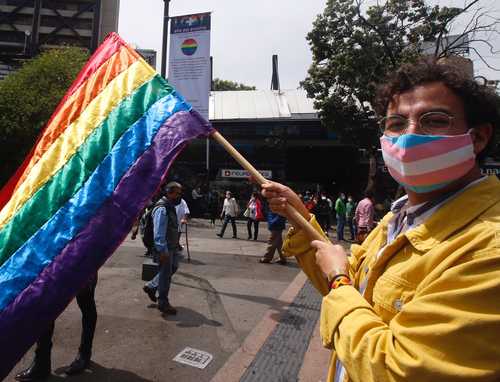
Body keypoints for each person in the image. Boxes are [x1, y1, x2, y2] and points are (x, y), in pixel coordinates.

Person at [261, 58, 500, 381]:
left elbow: (395, 370)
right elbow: (350, 292)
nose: (411, 135)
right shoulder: (396, 218)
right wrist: (299, 215)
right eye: (397, 123)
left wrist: (338, 280)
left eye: (434, 120)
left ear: (478, 138)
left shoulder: (488, 249)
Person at [15, 276, 98, 380]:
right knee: (45, 306)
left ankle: (85, 353)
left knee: (86, 302)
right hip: (54, 265)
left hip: (82, 264)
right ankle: (42, 362)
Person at [143, 182, 183, 315]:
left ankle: (151, 286)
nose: (179, 196)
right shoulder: (162, 208)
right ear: (169, 193)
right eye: (177, 193)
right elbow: (158, 232)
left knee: (174, 267)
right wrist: (162, 250)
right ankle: (163, 303)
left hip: (172, 246)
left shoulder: (170, 206)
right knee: (165, 275)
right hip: (165, 249)